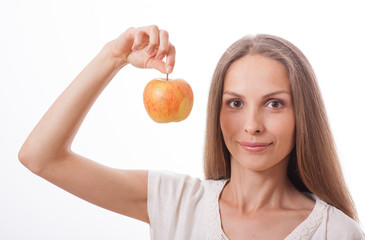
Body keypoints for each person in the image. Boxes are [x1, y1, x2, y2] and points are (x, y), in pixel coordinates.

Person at [19, 25, 364, 239]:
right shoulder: (177, 202)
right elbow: (40, 157)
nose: (252, 125)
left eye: (274, 104)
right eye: (235, 103)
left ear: (303, 115)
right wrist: (113, 57)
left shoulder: (336, 232)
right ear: (216, 111)